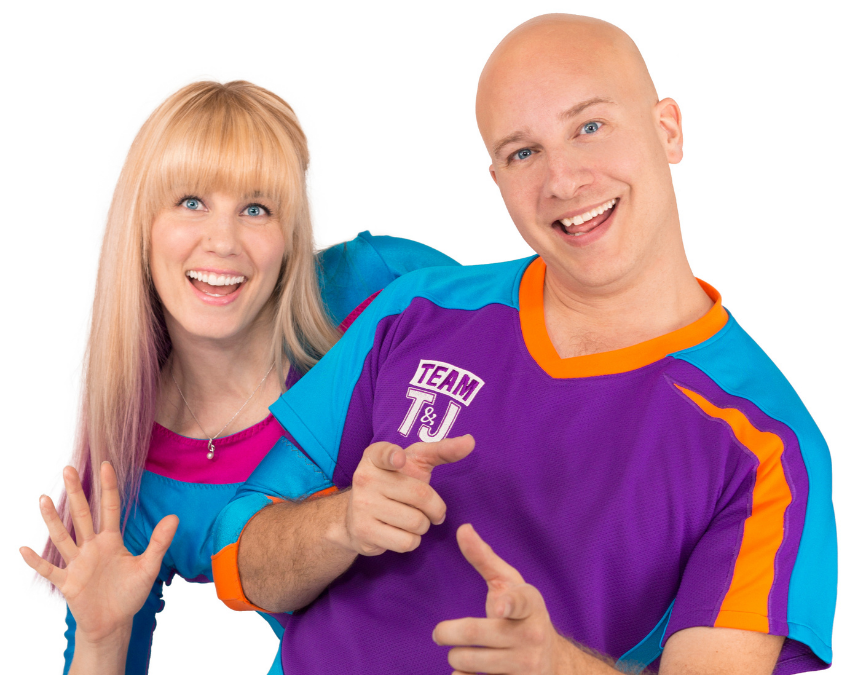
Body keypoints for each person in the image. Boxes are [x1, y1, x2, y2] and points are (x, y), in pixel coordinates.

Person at [211, 14, 837, 675]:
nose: (563, 181)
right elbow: (238, 553)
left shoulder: (766, 446)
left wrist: (556, 666)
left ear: (668, 129)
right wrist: (339, 524)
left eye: (589, 127)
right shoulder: (414, 309)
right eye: (523, 152)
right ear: (498, 180)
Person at [18, 80, 457, 675]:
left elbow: (545, 363)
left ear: (290, 234)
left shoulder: (377, 289)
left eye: (256, 209)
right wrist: (101, 637)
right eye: (191, 202)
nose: (222, 242)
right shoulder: (131, 474)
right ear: (142, 226)